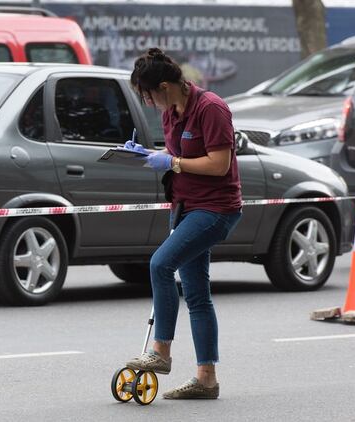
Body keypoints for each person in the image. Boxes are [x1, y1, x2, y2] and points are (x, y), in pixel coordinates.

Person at [123, 48, 243, 400]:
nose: (148, 103)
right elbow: (177, 157)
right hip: (185, 206)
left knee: (160, 264)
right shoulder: (171, 112)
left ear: (164, 86)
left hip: (216, 210)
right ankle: (206, 379)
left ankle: (161, 351)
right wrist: (146, 155)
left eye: (148, 95)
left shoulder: (211, 108)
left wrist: (171, 162)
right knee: (197, 294)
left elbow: (219, 164)